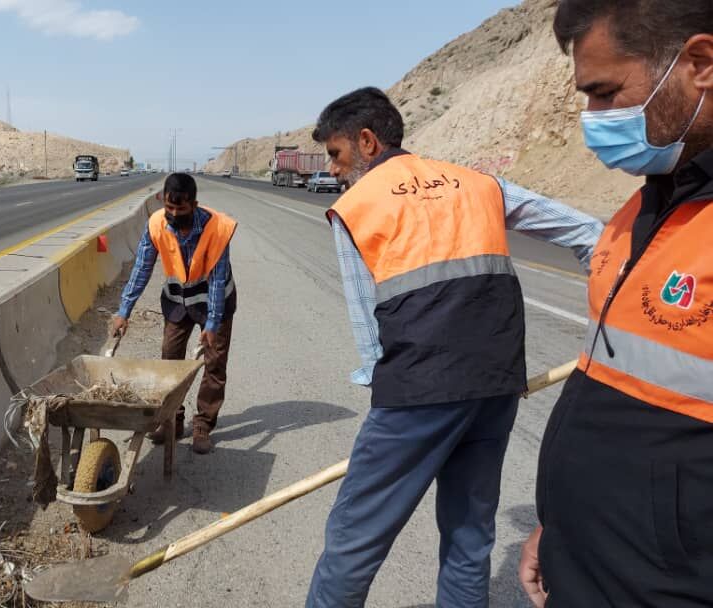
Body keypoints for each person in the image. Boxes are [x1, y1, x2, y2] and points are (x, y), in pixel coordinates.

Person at [304, 88, 604, 608]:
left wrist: (383, 397)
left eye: (336, 154)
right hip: (496, 387)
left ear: (368, 142)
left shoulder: (357, 204)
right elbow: (588, 232)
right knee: (469, 538)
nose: (332, 170)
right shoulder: (478, 183)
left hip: (417, 394)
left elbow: (365, 324)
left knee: (353, 539)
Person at [518, 3, 713, 606]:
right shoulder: (649, 204)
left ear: (699, 63)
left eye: (606, 94)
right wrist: (559, 526)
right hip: (591, 559)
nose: (593, 119)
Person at [110, 172, 236, 455]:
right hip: (178, 301)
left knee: (214, 364)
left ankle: (203, 423)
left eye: (181, 208)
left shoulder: (216, 229)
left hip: (214, 303)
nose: (174, 214)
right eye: (169, 207)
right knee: (170, 361)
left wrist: (213, 323)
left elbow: (217, 280)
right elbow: (142, 268)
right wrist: (124, 310)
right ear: (162, 201)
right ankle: (172, 421)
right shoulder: (156, 224)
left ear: (194, 204)